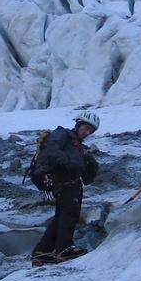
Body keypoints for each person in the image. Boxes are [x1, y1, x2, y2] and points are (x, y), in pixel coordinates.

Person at [30, 111, 101, 266]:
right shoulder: (63, 135)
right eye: (85, 128)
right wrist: (69, 162)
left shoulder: (76, 145)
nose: (87, 132)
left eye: (90, 131)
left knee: (61, 217)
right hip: (64, 183)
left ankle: (42, 252)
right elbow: (51, 150)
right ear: (78, 124)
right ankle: (64, 249)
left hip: (70, 184)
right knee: (69, 215)